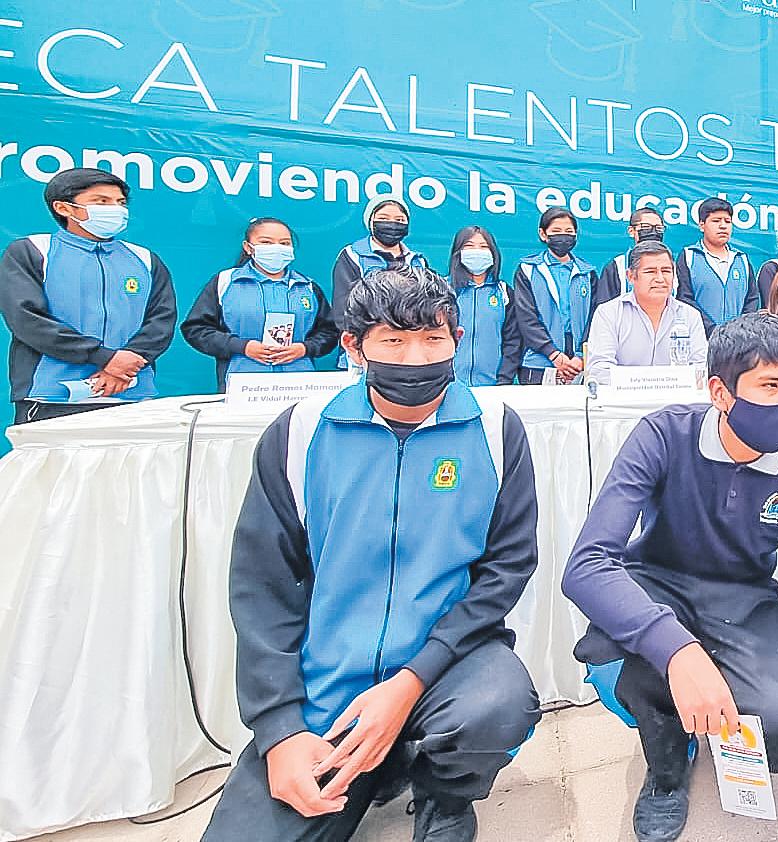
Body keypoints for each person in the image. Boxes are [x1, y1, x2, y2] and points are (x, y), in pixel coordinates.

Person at [201, 269, 542, 842]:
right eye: (394, 341)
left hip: (445, 665)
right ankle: (377, 767)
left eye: (432, 339)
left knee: (497, 707)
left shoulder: (496, 430)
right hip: (328, 687)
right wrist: (280, 730)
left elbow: (506, 569)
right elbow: (263, 585)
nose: (416, 358)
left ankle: (443, 792)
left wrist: (410, 681)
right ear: (354, 346)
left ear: (457, 341)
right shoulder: (301, 433)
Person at [565, 314, 778, 842]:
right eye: (770, 385)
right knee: (616, 660)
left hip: (744, 604)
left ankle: (711, 713)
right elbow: (587, 565)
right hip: (658, 585)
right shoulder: (664, 435)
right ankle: (667, 763)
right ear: (720, 392)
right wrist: (677, 650)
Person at [0, 168, 176, 422]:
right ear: (63, 208)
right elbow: (26, 318)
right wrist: (104, 357)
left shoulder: (144, 259)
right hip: (52, 397)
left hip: (130, 394)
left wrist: (126, 365)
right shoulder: (32, 251)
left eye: (120, 202)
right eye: (101, 201)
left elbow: (161, 320)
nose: (115, 209)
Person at [182, 217, 338, 390]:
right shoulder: (225, 282)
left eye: (284, 243)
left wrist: (305, 348)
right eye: (266, 242)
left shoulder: (307, 286)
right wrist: (242, 347)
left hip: (298, 384)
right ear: (248, 247)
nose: (276, 248)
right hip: (243, 384)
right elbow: (196, 329)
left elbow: (330, 331)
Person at [587, 242, 709, 385]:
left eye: (666, 271)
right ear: (631, 276)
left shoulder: (690, 315)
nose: (660, 279)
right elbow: (599, 370)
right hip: (624, 398)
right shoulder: (608, 313)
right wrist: (652, 383)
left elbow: (701, 368)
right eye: (651, 272)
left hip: (676, 398)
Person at [510, 207, 595, 385]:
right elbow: (526, 317)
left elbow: (595, 318)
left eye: (569, 231)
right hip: (538, 363)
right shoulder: (528, 270)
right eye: (556, 231)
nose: (563, 236)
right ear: (543, 234)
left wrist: (581, 356)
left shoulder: (588, 273)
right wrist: (553, 354)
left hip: (579, 364)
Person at [330, 196, 429, 334]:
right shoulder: (352, 255)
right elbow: (343, 308)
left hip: (409, 338)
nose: (392, 224)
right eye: (383, 218)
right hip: (367, 339)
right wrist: (357, 339)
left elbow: (427, 306)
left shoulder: (417, 261)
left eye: (400, 220)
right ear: (370, 222)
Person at [446, 226, 519, 386]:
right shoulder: (443, 290)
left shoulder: (504, 292)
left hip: (493, 386)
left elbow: (513, 341)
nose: (477, 251)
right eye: (469, 246)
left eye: (484, 246)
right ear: (458, 252)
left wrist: (504, 379)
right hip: (448, 385)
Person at [676, 197, 757, 332]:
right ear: (702, 225)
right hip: (700, 337)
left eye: (727, 221)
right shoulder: (689, 256)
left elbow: (752, 300)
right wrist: (713, 330)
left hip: (738, 339)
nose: (723, 226)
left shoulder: (741, 259)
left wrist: (739, 330)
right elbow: (685, 298)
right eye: (716, 221)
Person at [594, 206, 669, 307]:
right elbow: (604, 307)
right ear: (631, 231)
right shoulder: (617, 266)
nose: (653, 232)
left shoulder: (672, 266)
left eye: (658, 228)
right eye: (646, 227)